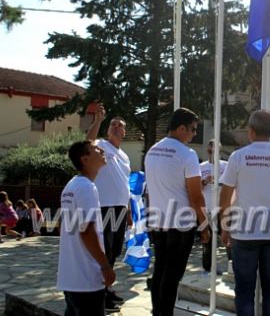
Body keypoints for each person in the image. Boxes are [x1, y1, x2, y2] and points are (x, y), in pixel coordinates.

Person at [219, 109, 270, 316]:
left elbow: (225, 196)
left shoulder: (238, 157)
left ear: (251, 130)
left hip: (244, 231)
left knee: (244, 290)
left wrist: (224, 227)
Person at [145, 107, 209, 316]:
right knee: (172, 276)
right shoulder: (187, 154)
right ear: (181, 128)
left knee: (160, 270)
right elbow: (196, 196)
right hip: (180, 224)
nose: (194, 134)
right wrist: (205, 225)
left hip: (158, 221)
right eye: (192, 129)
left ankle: (158, 311)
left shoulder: (152, 151)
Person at [57, 140, 116, 316]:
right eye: (95, 149)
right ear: (85, 159)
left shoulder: (71, 186)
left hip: (71, 278)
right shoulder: (86, 187)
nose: (101, 150)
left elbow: (65, 224)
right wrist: (105, 266)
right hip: (86, 280)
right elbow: (87, 231)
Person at [86, 104, 132, 310]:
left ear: (124, 132)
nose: (115, 127)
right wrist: (98, 121)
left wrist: (129, 210)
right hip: (104, 208)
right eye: (112, 124)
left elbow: (125, 184)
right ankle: (97, 293)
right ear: (107, 130)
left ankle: (105, 289)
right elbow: (87, 142)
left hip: (120, 210)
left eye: (119, 125)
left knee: (114, 252)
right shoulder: (101, 145)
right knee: (103, 252)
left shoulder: (125, 156)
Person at [199, 139, 228, 273]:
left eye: (216, 149)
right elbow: (195, 189)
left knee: (228, 238)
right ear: (207, 150)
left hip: (224, 210)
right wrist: (205, 181)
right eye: (211, 149)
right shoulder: (201, 167)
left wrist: (219, 182)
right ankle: (207, 268)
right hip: (207, 209)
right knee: (208, 240)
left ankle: (231, 266)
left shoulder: (226, 166)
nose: (213, 152)